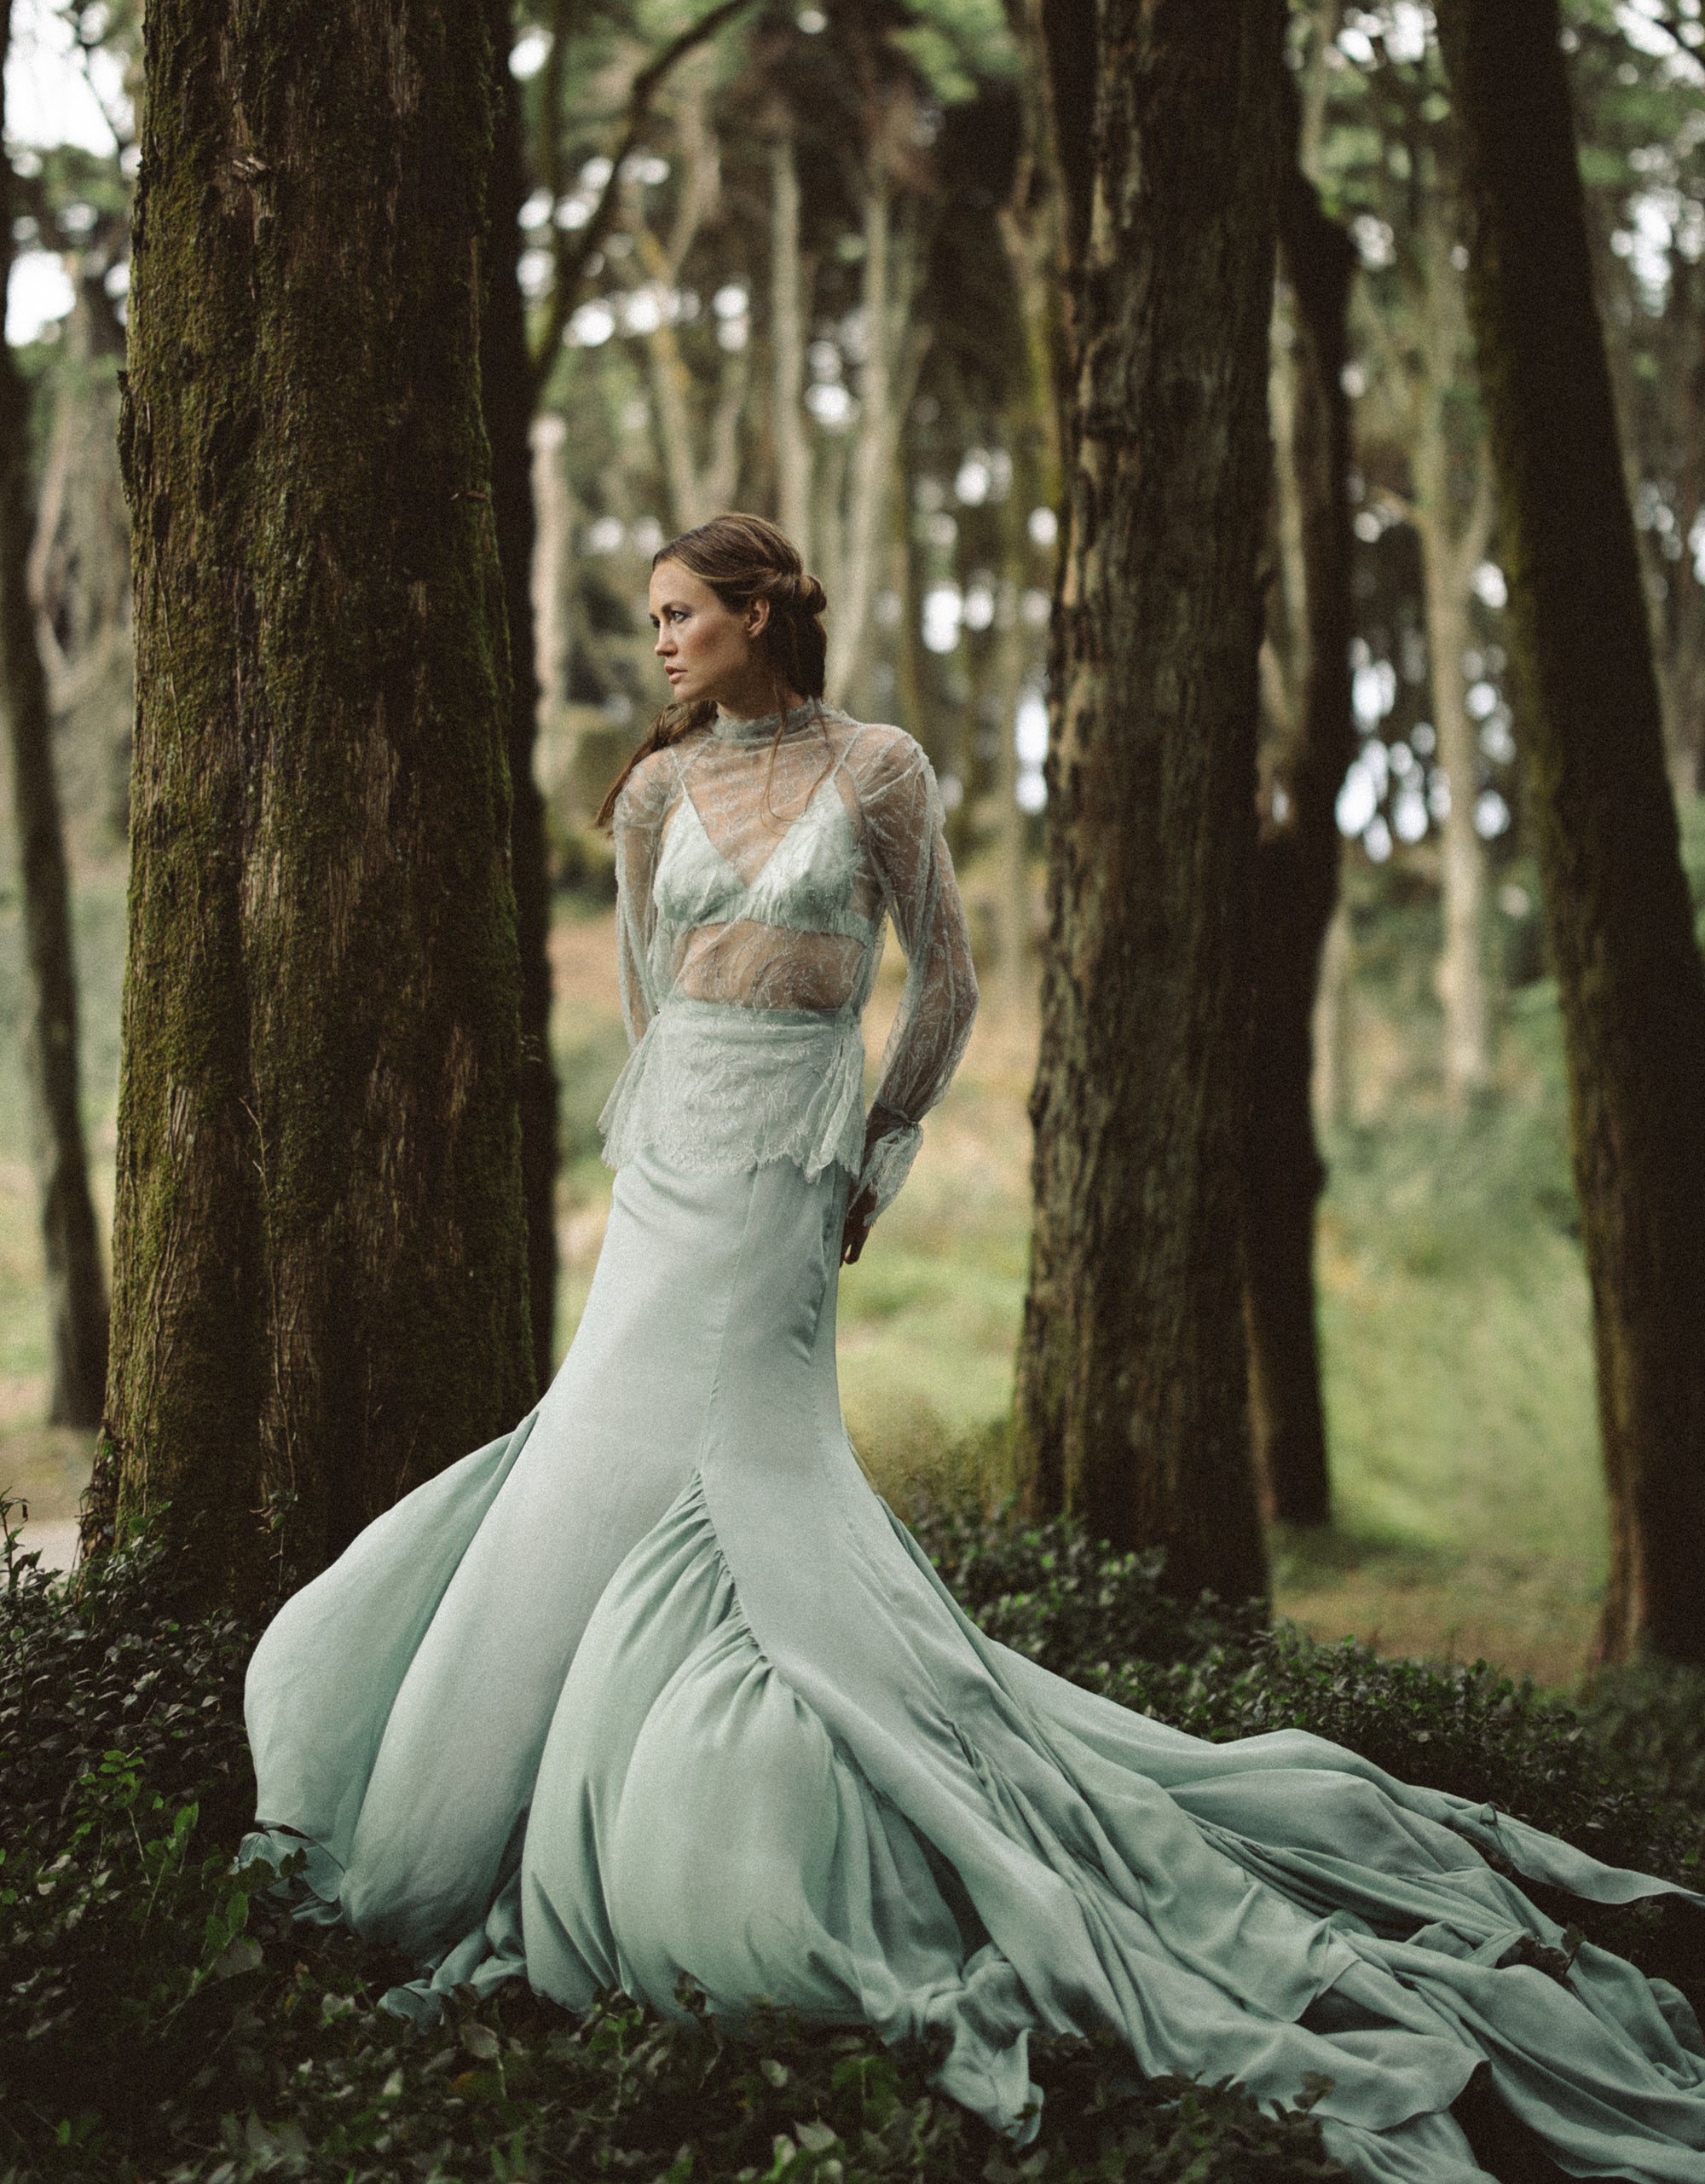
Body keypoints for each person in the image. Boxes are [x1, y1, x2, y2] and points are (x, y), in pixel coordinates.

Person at [242, 514, 1705, 2184]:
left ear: (758, 615)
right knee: (592, 1455)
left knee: (747, 1481)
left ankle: (739, 1807)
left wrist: (872, 1150)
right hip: (673, 1176)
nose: (656, 643)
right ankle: (476, 1809)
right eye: (647, 618)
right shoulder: (651, 795)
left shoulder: (876, 769)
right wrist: (665, 1137)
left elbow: (944, 978)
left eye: (678, 615)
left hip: (792, 1173)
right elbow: (652, 996)